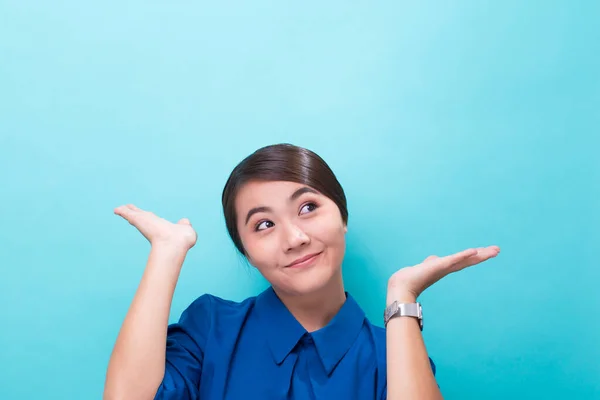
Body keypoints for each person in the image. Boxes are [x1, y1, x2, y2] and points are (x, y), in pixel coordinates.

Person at [103, 143, 500, 400]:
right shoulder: (211, 328)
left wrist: (403, 298)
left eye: (308, 207)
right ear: (247, 251)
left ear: (342, 217)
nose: (293, 238)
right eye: (263, 225)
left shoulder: (392, 352)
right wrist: (167, 252)